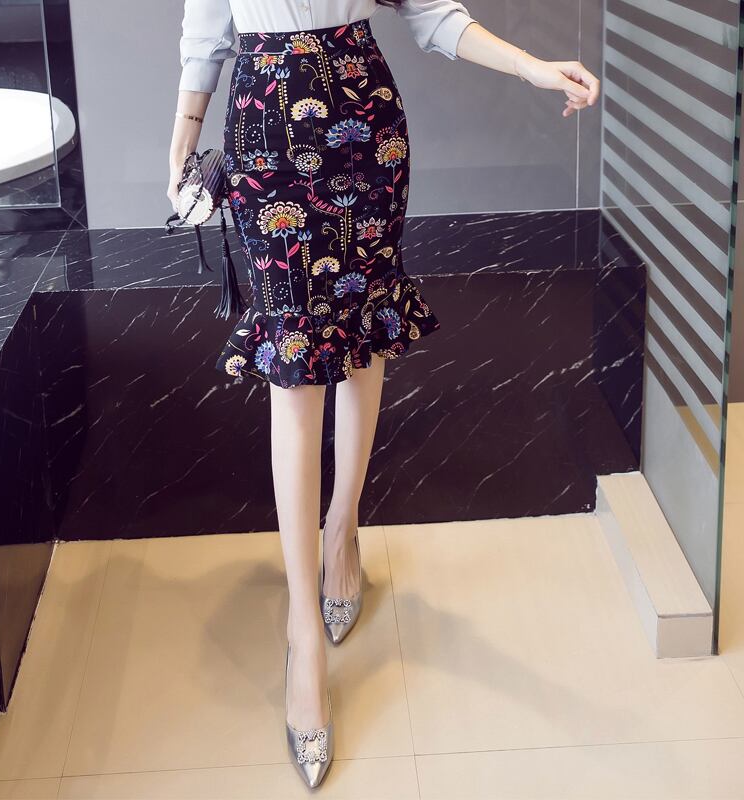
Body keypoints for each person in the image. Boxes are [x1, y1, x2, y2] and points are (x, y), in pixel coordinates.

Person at [168, 0, 600, 788]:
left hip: (367, 127)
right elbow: (205, 35)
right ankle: (303, 631)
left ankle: (342, 529)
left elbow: (432, 14)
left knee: (366, 328)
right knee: (295, 370)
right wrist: (182, 143)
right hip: (267, 127)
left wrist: (535, 68)